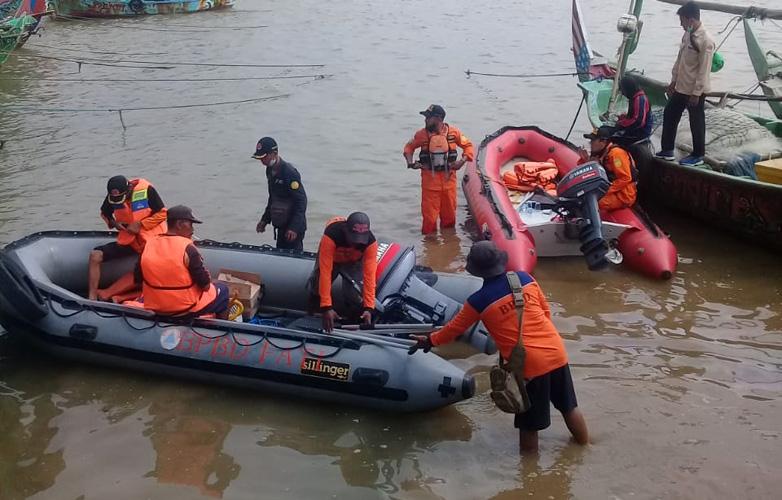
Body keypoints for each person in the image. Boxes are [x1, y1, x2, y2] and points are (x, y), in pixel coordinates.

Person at [409, 241, 588, 453]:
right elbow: (545, 311)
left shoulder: (479, 300)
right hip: (556, 350)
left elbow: (455, 329)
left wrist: (430, 341)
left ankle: (529, 476)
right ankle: (585, 448)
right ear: (501, 262)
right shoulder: (524, 278)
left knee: (529, 425)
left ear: (476, 269)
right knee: (569, 407)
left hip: (529, 365)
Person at [135, 205, 229, 318]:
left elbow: (138, 280)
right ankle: (222, 329)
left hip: (155, 306)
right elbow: (205, 286)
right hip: (184, 308)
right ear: (179, 224)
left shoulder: (148, 245)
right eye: (190, 224)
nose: (193, 230)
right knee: (223, 290)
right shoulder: (188, 249)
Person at [656, 0, 715, 166]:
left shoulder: (706, 40)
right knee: (670, 114)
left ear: (691, 19)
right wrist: (673, 80)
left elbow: (704, 70)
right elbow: (680, 59)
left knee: (696, 121)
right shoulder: (688, 34)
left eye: (682, 20)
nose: (681, 24)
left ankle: (698, 155)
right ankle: (667, 150)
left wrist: (696, 93)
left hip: (695, 90)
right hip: (682, 86)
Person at [88, 175, 167, 300]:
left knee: (147, 271)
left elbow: (162, 213)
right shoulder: (112, 197)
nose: (119, 201)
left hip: (152, 241)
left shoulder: (146, 190)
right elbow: (105, 213)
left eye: (121, 198)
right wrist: (115, 224)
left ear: (129, 189)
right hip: (130, 240)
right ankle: (91, 297)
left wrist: (141, 224)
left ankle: (108, 293)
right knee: (95, 255)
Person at [403, 105, 475, 234]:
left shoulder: (454, 133)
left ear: (438, 118)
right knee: (429, 221)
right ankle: (431, 249)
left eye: (428, 118)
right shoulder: (421, 135)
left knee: (449, 219)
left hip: (449, 183)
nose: (425, 120)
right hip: (430, 185)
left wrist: (462, 161)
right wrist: (410, 163)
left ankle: (448, 244)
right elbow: (408, 148)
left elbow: (468, 146)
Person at [306, 212, 378, 332]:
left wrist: (369, 308)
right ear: (346, 230)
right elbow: (325, 272)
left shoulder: (370, 243)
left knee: (353, 293)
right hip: (332, 257)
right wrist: (326, 307)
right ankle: (313, 311)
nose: (356, 243)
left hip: (354, 260)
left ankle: (353, 319)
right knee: (317, 284)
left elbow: (369, 277)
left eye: (360, 241)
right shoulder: (332, 234)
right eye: (354, 239)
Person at [253, 137, 307, 251]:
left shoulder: (289, 173)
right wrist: (265, 220)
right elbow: (273, 198)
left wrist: (294, 228)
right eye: (260, 158)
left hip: (293, 227)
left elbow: (301, 201)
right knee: (280, 252)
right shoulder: (269, 170)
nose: (262, 161)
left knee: (293, 257)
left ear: (274, 153)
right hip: (281, 224)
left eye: (264, 157)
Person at [582, 126, 637, 212]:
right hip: (610, 188)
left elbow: (625, 178)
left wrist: (604, 190)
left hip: (623, 195)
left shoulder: (616, 154)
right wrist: (585, 160)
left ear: (603, 142)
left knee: (593, 201)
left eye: (593, 140)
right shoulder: (599, 153)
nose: (590, 143)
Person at [611, 75, 653, 148]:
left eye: (623, 90)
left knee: (611, 137)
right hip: (636, 130)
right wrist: (624, 118)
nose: (623, 93)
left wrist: (622, 124)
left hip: (640, 133)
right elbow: (634, 116)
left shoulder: (640, 99)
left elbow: (638, 122)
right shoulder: (634, 97)